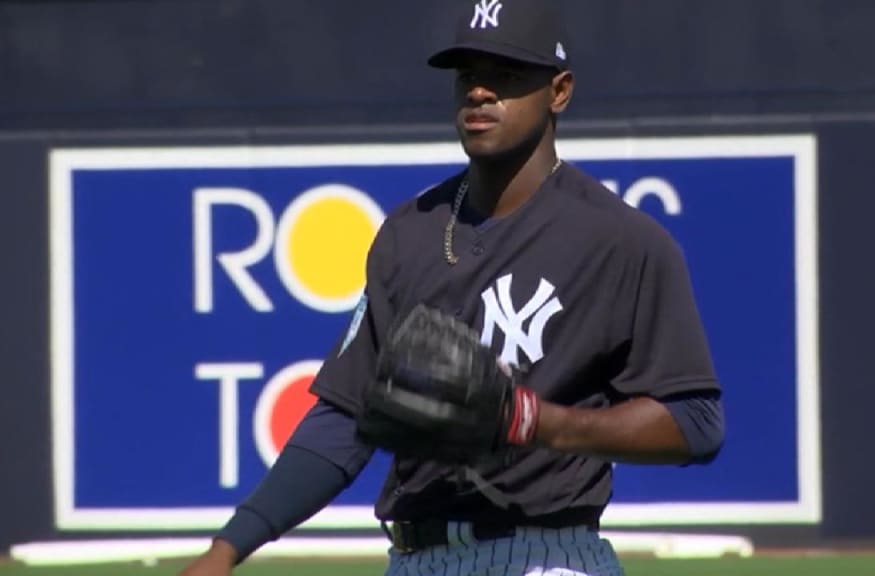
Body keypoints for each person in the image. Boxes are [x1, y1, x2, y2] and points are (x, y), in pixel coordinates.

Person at [179, 0, 724, 574]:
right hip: (416, 558)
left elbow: (696, 423)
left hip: (547, 553)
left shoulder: (621, 240)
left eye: (506, 76)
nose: (480, 93)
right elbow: (346, 415)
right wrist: (228, 548)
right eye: (468, 75)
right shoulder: (408, 232)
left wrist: (543, 423)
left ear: (558, 91)